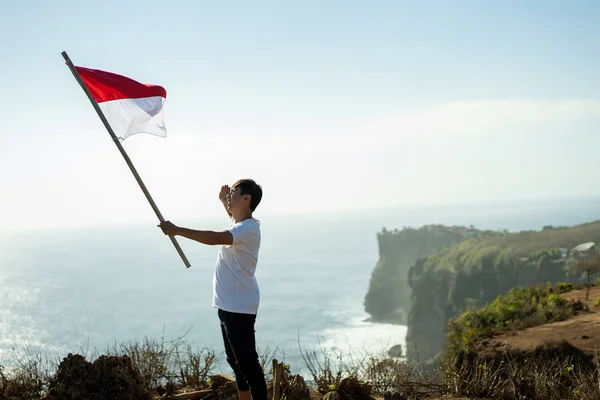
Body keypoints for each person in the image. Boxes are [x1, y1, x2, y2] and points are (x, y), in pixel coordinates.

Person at [158, 179, 267, 400]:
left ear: (247, 199)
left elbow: (216, 237)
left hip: (238, 305)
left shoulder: (248, 229)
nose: (230, 196)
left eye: (234, 193)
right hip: (229, 304)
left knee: (247, 363)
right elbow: (233, 220)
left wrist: (177, 230)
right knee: (236, 362)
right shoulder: (242, 225)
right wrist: (223, 202)